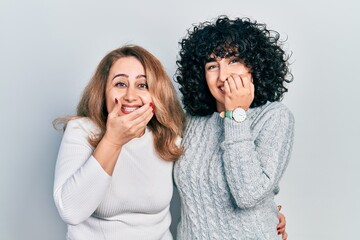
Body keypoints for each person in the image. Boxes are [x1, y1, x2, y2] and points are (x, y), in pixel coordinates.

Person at [174, 15, 294, 239]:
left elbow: (247, 195)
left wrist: (236, 114)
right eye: (212, 65)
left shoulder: (274, 117)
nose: (223, 75)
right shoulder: (191, 121)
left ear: (254, 66)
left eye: (233, 61)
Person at [52, 45, 185, 240]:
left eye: (142, 85)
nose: (130, 96)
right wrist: (113, 140)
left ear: (156, 93)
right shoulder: (81, 130)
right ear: (104, 91)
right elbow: (71, 211)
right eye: (120, 84)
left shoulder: (168, 136)